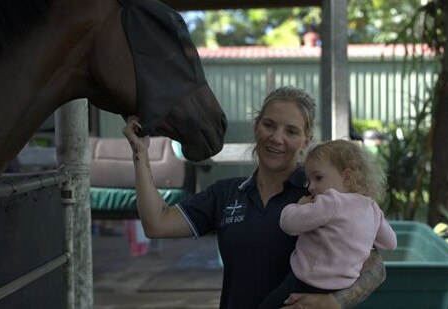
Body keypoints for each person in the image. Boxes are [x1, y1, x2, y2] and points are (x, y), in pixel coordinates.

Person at [123, 86, 387, 309]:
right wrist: (140, 154)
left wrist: (335, 302)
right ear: (257, 126)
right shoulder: (226, 194)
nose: (277, 138)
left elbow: (376, 267)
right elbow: (157, 223)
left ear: (306, 141)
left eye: (291, 131)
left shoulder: (321, 197)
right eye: (269, 125)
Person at [257, 140, 397, 309]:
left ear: (347, 177)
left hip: (308, 282)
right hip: (343, 287)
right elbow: (390, 243)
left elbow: (289, 225)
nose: (311, 187)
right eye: (309, 180)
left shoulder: (331, 201)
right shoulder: (372, 208)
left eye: (318, 178)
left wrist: (298, 206)